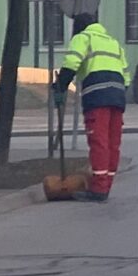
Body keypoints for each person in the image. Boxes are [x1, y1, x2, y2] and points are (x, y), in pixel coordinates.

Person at [53, 11, 130, 201]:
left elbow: (71, 63)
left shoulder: (83, 38)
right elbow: (126, 75)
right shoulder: (113, 43)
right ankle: (106, 185)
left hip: (97, 97)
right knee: (113, 143)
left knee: (99, 142)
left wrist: (60, 85)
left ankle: (98, 190)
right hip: (118, 96)